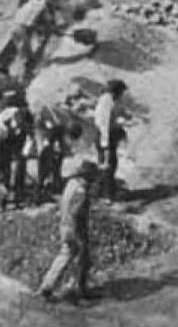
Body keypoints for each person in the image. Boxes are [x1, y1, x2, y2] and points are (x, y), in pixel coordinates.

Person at [38, 161, 97, 302]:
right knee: (79, 257)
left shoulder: (71, 184)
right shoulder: (81, 191)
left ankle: (49, 286)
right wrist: (79, 235)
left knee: (69, 255)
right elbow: (76, 212)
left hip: (65, 224)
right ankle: (76, 288)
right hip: (75, 228)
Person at [93, 80, 128, 199]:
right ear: (117, 91)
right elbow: (104, 124)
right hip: (104, 137)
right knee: (108, 165)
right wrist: (105, 145)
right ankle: (106, 195)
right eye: (122, 92)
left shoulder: (108, 100)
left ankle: (103, 191)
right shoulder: (107, 102)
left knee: (109, 164)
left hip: (105, 136)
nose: (122, 95)